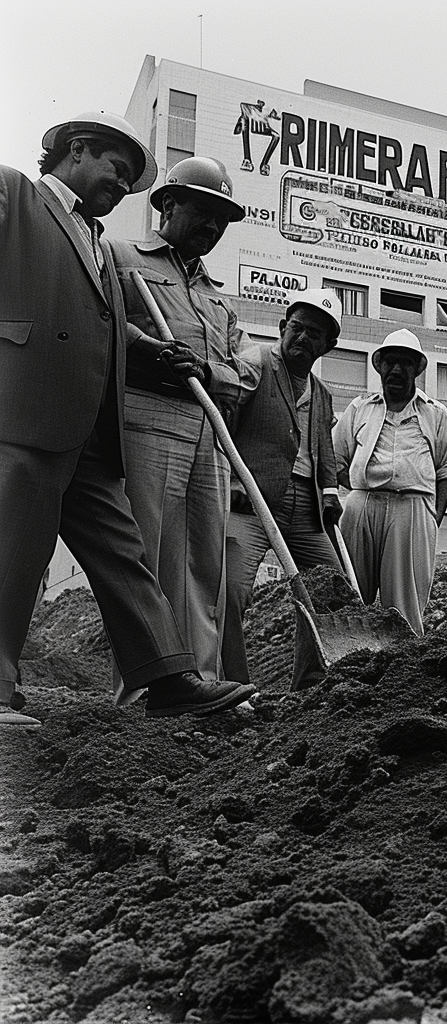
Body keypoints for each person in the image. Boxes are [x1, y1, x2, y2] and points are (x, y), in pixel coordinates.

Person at [0, 111, 256, 727]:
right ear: (76, 150)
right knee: (13, 550)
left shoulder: (92, 238)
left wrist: (152, 351)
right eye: (117, 171)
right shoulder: (16, 196)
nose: (121, 188)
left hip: (90, 426)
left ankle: (167, 678)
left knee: (125, 553)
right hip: (24, 407)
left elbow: (109, 327)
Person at [108, 157, 258, 684]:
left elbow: (243, 377)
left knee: (203, 564)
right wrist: (146, 349)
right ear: (168, 204)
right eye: (205, 211)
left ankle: (202, 683)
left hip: (210, 432)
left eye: (223, 218)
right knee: (146, 557)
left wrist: (211, 372)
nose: (214, 226)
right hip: (147, 422)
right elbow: (98, 320)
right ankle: (142, 686)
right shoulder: (120, 257)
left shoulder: (219, 301)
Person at [221, 289, 344, 684]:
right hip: (253, 502)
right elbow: (222, 420)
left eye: (315, 334)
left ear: (329, 346)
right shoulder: (255, 363)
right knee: (229, 592)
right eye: (298, 328)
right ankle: (234, 686)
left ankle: (312, 682)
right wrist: (230, 476)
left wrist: (329, 492)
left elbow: (324, 451)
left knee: (332, 591)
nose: (304, 339)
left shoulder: (322, 394)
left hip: (307, 509)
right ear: (282, 327)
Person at [333, 329, 447, 635]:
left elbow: (445, 472)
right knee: (350, 594)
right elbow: (335, 461)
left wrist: (431, 518)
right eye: (391, 362)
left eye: (405, 363)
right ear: (380, 367)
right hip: (362, 506)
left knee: (403, 605)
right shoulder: (360, 408)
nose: (397, 370)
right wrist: (356, 493)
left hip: (411, 509)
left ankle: (405, 670)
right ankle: (346, 660)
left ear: (417, 369)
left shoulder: (435, 414)